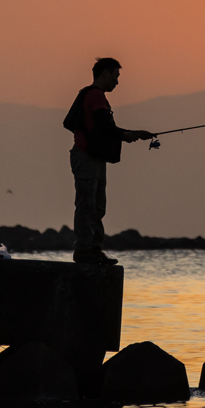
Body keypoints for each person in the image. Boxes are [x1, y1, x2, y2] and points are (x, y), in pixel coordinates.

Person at [63, 58, 153, 265]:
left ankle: (94, 249)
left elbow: (105, 127)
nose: (117, 82)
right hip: (85, 157)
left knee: (97, 206)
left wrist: (133, 133)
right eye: (116, 76)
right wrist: (127, 134)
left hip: (94, 158)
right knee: (87, 205)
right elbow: (104, 125)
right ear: (105, 73)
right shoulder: (95, 95)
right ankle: (84, 250)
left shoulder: (96, 96)